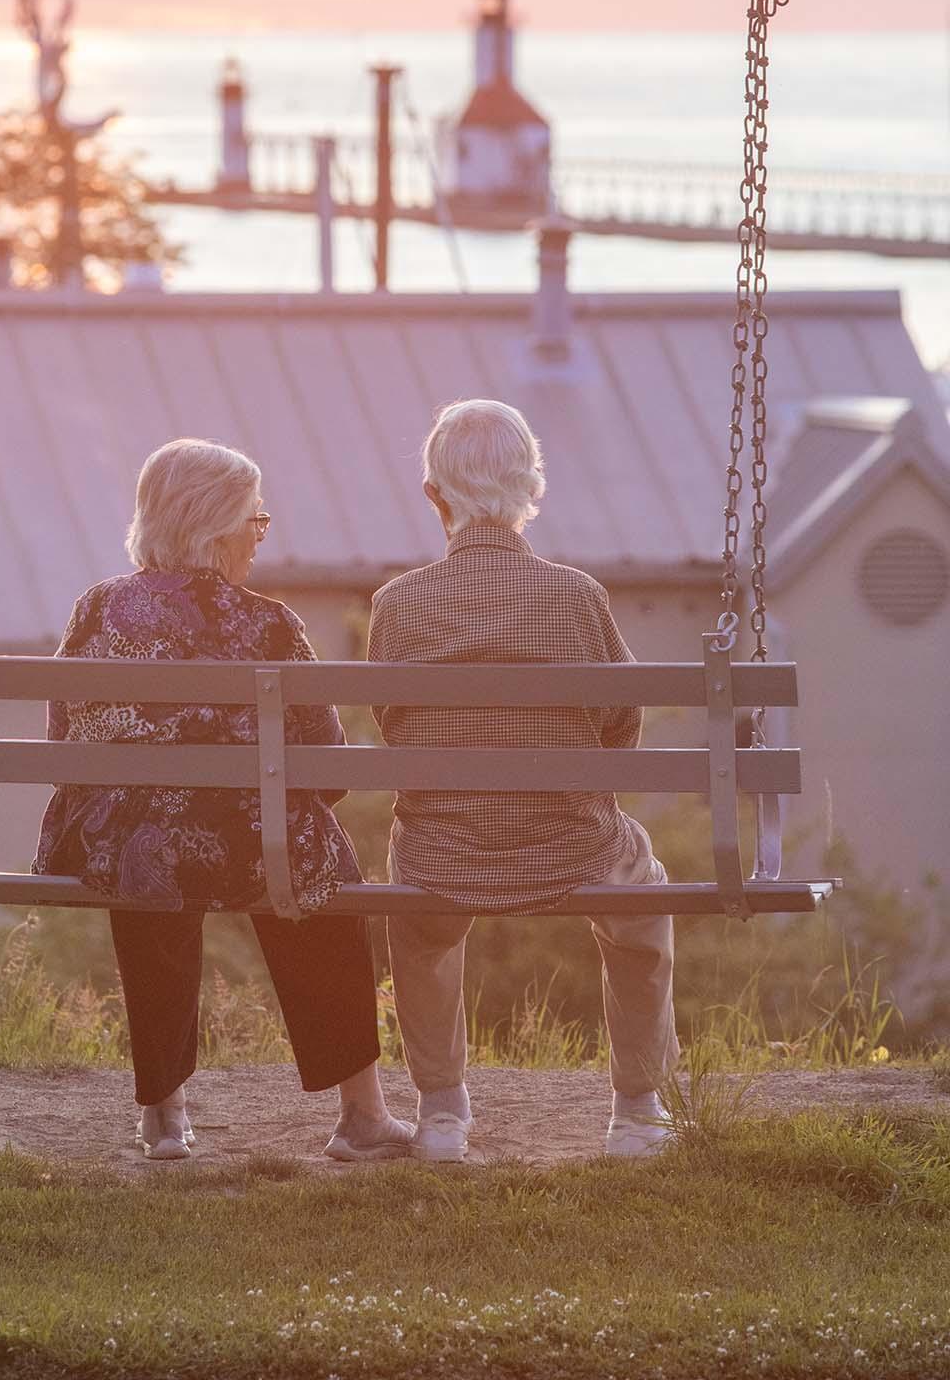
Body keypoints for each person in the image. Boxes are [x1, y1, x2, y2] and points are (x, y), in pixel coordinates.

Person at [34, 437, 412, 1164]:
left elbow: (64, 745)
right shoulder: (267, 623)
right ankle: (362, 1115)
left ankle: (164, 1119)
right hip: (249, 841)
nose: (259, 538)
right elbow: (327, 766)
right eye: (254, 522)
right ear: (214, 527)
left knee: (151, 852)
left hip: (123, 846)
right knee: (312, 867)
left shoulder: (96, 610)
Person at [368, 398, 680, 1163]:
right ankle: (637, 1111)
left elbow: (394, 724)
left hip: (444, 853)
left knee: (418, 919)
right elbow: (621, 727)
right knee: (642, 907)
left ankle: (442, 1112)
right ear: (529, 486)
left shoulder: (398, 604)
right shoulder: (578, 597)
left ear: (434, 494)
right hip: (569, 845)